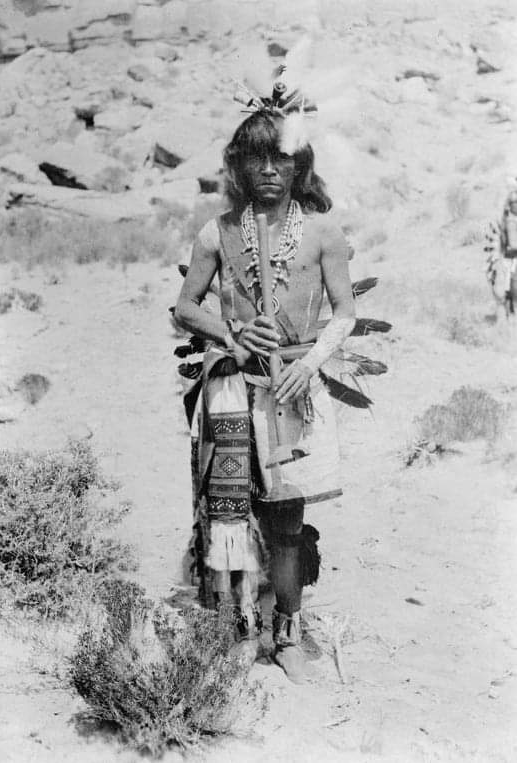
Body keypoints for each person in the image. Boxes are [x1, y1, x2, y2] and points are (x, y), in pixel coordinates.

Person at [175, 98, 356, 683]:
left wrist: (312, 364)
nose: (270, 171)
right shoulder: (217, 231)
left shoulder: (324, 232)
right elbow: (184, 307)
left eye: (282, 158)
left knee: (285, 519)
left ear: (299, 165)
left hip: (292, 387)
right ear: (239, 167)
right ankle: (233, 633)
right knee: (229, 514)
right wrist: (229, 330)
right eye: (257, 159)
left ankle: (288, 635)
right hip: (231, 389)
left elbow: (344, 314)